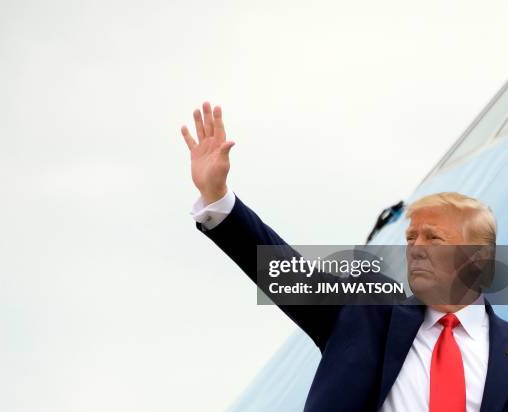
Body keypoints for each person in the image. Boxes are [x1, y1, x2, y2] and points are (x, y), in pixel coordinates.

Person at [179, 102, 508, 412]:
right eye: (411, 237)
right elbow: (288, 274)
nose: (415, 246)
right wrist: (219, 199)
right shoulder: (366, 310)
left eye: (432, 237)